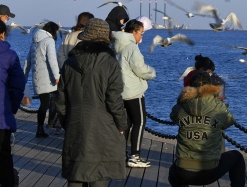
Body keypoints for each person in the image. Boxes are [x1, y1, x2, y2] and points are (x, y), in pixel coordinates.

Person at [55, 18, 128, 187]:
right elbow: (114, 100)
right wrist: (122, 125)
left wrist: (67, 121)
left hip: (75, 124)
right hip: (104, 126)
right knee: (99, 173)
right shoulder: (110, 63)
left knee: (76, 173)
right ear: (105, 39)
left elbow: (60, 100)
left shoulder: (69, 63)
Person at [168, 70, 245, 187]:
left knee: (173, 172)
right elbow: (230, 121)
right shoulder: (218, 107)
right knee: (237, 157)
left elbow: (173, 116)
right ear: (211, 86)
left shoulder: (181, 107)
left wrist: (182, 99)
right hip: (210, 170)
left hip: (184, 171)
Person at [112, 19, 156, 168]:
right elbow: (140, 69)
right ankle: (135, 156)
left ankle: (121, 154)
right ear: (134, 32)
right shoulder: (131, 47)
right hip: (133, 91)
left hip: (121, 91)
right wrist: (152, 73)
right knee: (140, 121)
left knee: (127, 123)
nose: (141, 37)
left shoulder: (117, 45)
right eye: (141, 33)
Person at [24, 21, 61, 138]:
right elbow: (52, 59)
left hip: (37, 79)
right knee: (60, 98)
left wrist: (23, 78)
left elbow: (27, 62)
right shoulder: (48, 41)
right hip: (49, 79)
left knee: (43, 104)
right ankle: (57, 124)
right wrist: (57, 76)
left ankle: (40, 129)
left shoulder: (34, 42)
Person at [0, 20, 25, 187]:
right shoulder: (9, 55)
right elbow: (18, 85)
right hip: (1, 115)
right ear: (2, 34)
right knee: (4, 156)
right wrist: (12, 107)